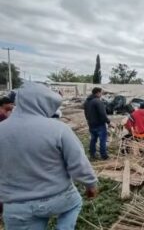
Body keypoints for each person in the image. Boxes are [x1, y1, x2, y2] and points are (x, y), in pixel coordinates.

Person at [0, 83, 97, 229]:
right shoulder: (58, 129)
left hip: (16, 205)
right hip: (57, 198)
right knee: (75, 202)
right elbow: (78, 162)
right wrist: (90, 184)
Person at [84, 87, 112, 160]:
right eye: (101, 93)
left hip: (91, 124)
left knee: (93, 139)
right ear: (98, 93)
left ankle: (92, 154)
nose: (102, 94)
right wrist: (108, 122)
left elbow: (86, 113)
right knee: (102, 140)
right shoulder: (98, 101)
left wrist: (88, 120)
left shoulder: (86, 102)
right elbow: (103, 114)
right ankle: (104, 156)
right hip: (99, 124)